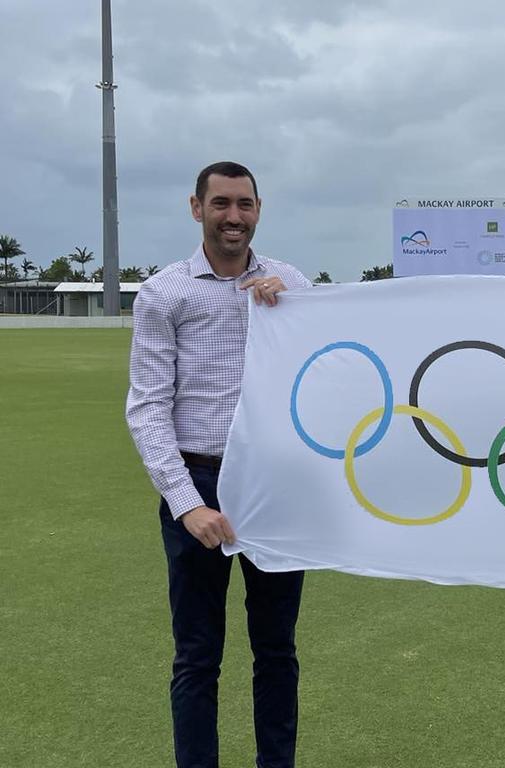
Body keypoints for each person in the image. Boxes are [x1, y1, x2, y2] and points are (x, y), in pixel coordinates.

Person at [126, 161, 313, 768]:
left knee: (277, 649)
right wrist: (188, 504)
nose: (234, 217)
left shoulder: (292, 284)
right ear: (196, 207)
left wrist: (292, 315)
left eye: (245, 204)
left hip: (274, 486)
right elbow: (148, 407)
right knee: (198, 655)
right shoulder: (165, 292)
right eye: (222, 204)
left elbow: (330, 375)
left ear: (259, 209)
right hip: (199, 481)